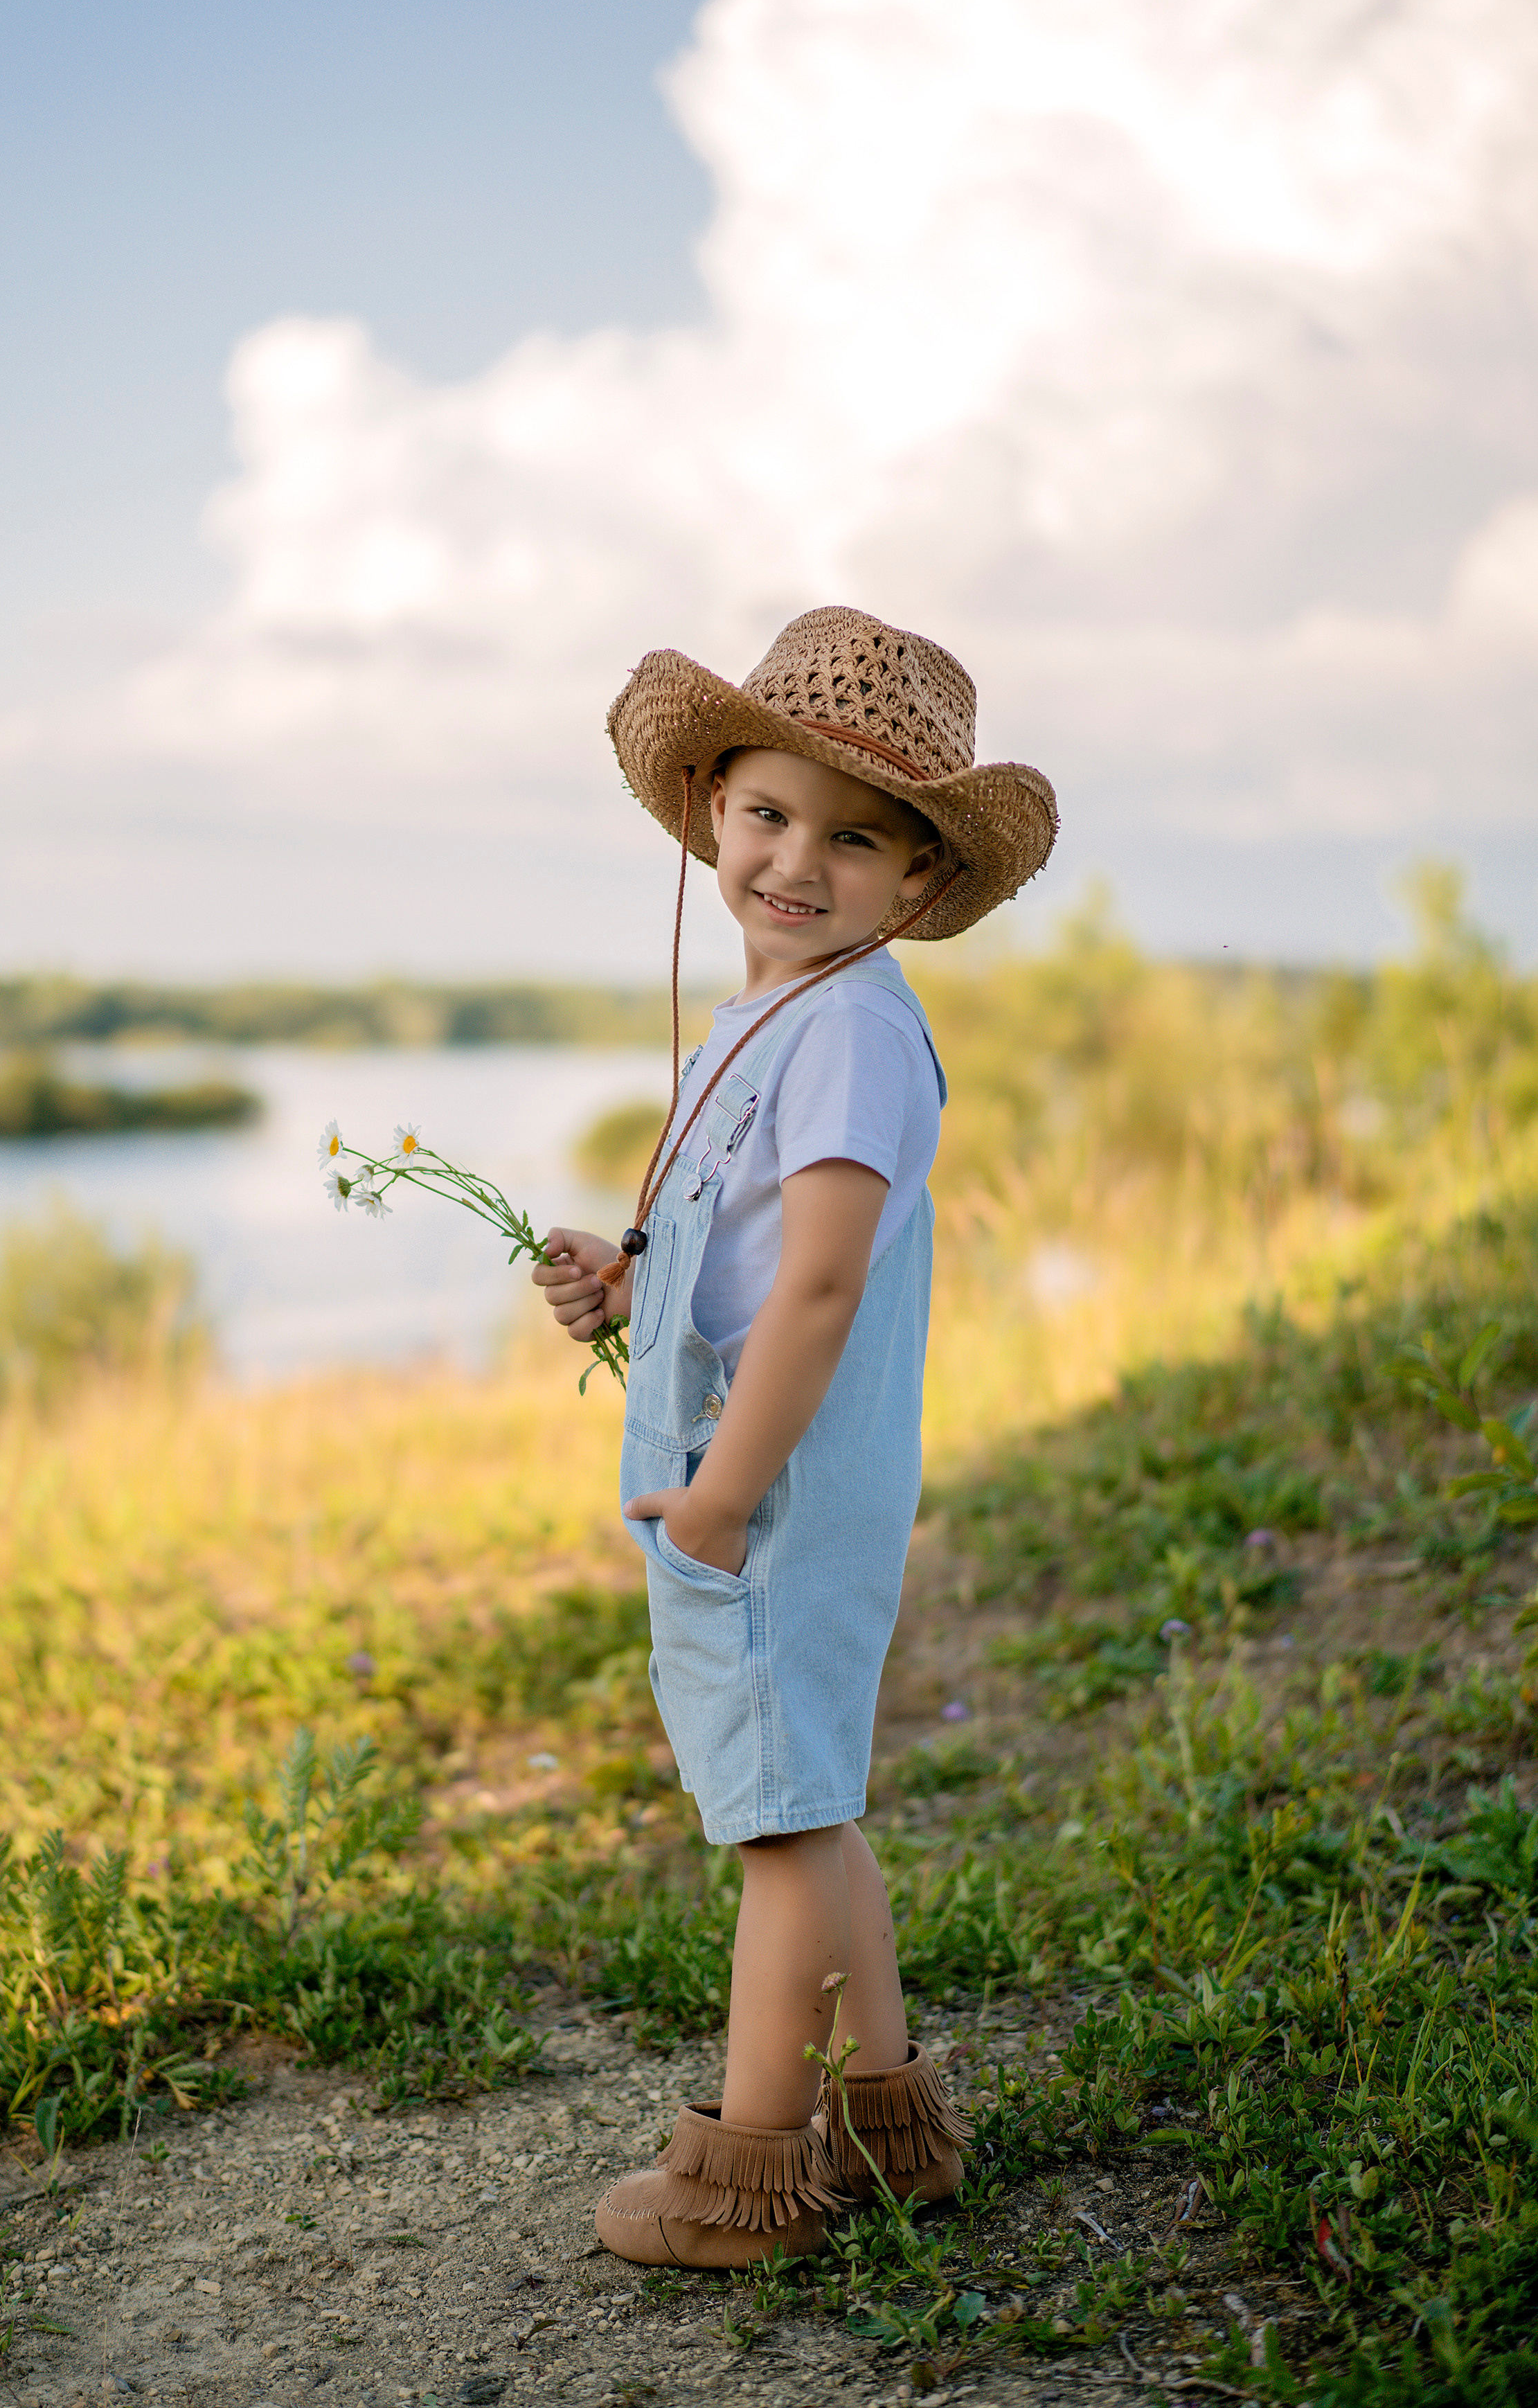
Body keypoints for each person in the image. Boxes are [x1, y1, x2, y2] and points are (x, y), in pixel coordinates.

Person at [533, 607, 1057, 2269]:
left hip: (764, 1486)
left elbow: (822, 1282)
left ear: (914, 885)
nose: (795, 860)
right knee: (810, 1801)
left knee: (777, 1823)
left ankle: (744, 2174)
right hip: (747, 1479)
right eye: (768, 813)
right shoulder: (773, 1018)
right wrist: (630, 1275)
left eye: (853, 837)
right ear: (711, 813)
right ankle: (889, 2127)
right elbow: (747, 1236)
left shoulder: (843, 1026)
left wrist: (721, 1496)